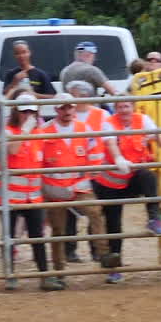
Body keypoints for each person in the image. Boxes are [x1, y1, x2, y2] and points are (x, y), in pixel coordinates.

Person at [93, 100, 161, 282]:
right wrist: (119, 158)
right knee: (114, 226)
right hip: (110, 184)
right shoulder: (109, 123)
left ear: (133, 107)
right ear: (115, 109)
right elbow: (111, 144)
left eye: (127, 106)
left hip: (132, 178)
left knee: (149, 176)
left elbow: (159, 138)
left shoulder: (142, 120)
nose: (124, 110)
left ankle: (154, 218)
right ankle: (114, 268)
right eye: (120, 106)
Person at [37, 92, 116, 288]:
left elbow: (94, 155)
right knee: (58, 230)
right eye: (62, 107)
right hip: (54, 189)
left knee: (95, 210)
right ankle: (59, 272)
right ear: (56, 109)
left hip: (79, 185)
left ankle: (103, 254)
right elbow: (36, 160)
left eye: (70, 107)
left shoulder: (84, 129)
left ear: (74, 108)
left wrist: (90, 175)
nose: (67, 111)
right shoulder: (44, 132)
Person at [0, 93, 54, 291]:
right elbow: (12, 150)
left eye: (31, 111)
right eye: (24, 111)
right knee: (9, 237)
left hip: (33, 196)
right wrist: (24, 130)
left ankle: (45, 276)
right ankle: (10, 276)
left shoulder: (39, 133)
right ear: (16, 112)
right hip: (10, 196)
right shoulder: (9, 130)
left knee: (38, 236)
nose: (28, 115)